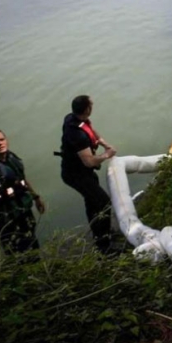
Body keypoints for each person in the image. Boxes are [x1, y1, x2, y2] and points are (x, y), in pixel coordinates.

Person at [57, 95, 117, 253]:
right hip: (76, 175)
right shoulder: (77, 135)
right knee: (104, 203)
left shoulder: (71, 118)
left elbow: (90, 130)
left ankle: (101, 234)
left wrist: (105, 144)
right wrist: (107, 155)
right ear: (87, 109)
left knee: (92, 202)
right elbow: (89, 162)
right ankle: (105, 247)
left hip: (81, 172)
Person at [0, 129, 45, 255]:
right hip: (4, 217)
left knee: (32, 241)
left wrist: (36, 198)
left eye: (1, 139)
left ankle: (38, 268)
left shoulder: (11, 158)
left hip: (22, 209)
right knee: (14, 249)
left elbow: (22, 179)